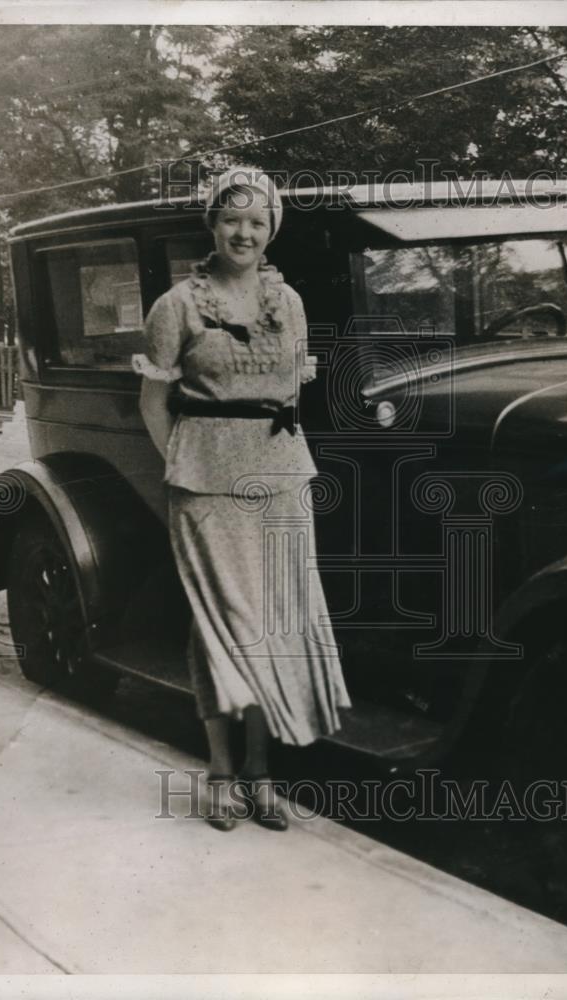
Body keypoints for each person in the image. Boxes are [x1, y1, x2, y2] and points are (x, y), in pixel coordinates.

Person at [134, 166, 351, 832]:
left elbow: (292, 390)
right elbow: (152, 402)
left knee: (275, 627)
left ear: (271, 228)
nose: (245, 232)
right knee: (221, 624)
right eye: (232, 218)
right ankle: (222, 772)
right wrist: (188, 461)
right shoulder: (177, 307)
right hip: (204, 483)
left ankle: (262, 774)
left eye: (258, 221)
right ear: (213, 224)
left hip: (281, 478)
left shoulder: (289, 303)